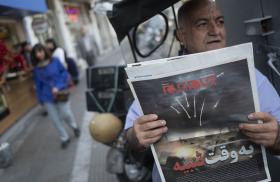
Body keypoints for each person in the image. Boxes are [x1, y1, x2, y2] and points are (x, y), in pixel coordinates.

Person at [124, 0, 280, 181]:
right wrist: (137, 136)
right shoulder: (156, 82)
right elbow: (131, 140)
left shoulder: (253, 77)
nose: (215, 31)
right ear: (181, 36)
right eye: (202, 24)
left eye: (220, 21)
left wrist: (275, 137)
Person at [31, 43, 80, 149]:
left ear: (44, 51)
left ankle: (74, 126)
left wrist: (58, 86)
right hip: (47, 96)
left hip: (60, 93)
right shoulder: (36, 69)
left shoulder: (55, 61)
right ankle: (64, 138)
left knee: (66, 113)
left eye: (40, 51)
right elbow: (38, 85)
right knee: (55, 119)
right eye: (36, 53)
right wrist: (40, 99)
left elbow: (64, 74)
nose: (38, 54)